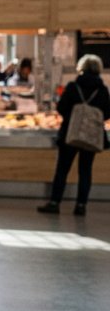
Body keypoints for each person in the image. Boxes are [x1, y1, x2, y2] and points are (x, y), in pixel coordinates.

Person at [38, 54, 110, 216]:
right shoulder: (102, 89)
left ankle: (55, 202)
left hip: (70, 135)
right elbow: (106, 114)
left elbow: (61, 108)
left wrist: (74, 117)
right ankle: (81, 206)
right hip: (91, 136)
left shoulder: (72, 86)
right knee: (85, 171)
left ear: (81, 68)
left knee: (62, 169)